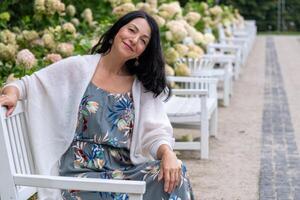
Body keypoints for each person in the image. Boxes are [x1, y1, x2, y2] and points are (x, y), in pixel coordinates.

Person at [0, 10, 194, 200]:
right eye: (132, 30)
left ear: (143, 52)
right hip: (81, 176)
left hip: (125, 173)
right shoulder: (79, 68)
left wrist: (168, 153)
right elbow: (27, 84)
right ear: (117, 32)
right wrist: (11, 93)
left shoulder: (141, 86)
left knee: (176, 175)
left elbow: (156, 133)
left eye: (143, 40)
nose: (134, 40)